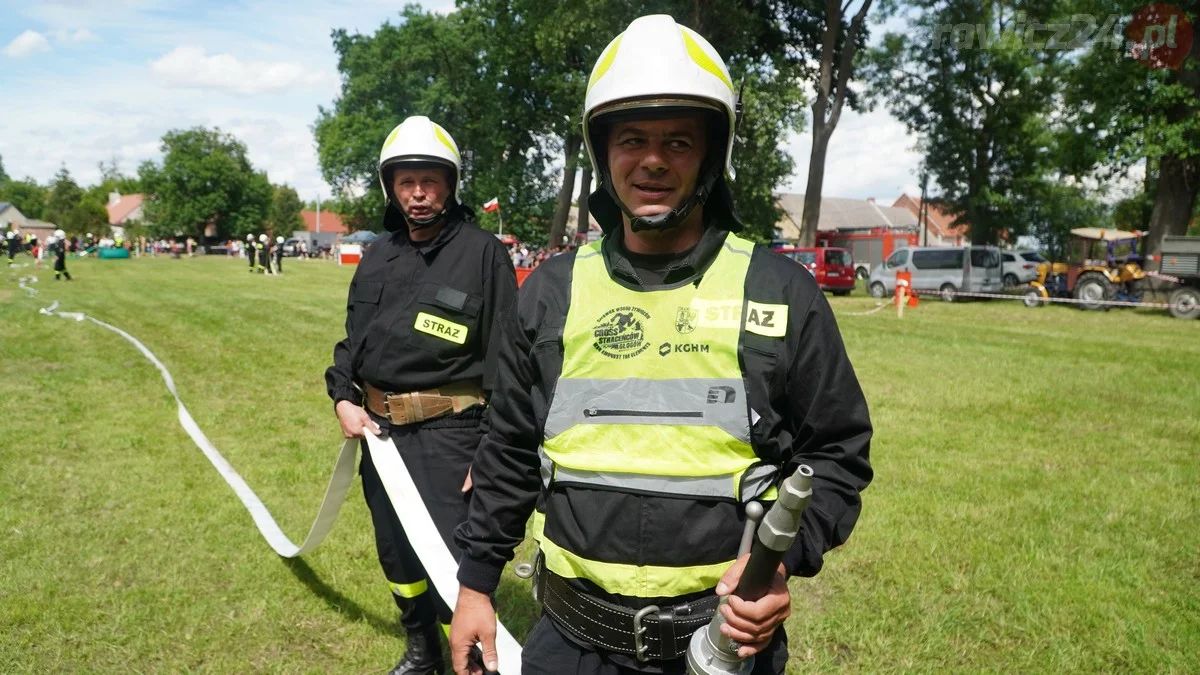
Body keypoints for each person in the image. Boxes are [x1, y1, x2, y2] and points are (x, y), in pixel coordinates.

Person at [449, 15, 873, 675]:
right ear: (603, 151)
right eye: (632, 138)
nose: (652, 159)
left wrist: (781, 561)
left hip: (722, 650)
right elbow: (506, 451)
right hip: (569, 646)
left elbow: (838, 454)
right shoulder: (551, 293)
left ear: (711, 154)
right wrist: (476, 583)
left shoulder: (780, 291)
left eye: (678, 140)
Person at [325, 115, 517, 675]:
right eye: (406, 181)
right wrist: (343, 396)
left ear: (451, 184)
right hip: (380, 436)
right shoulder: (378, 256)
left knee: (454, 559)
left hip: (452, 435)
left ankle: (470, 658)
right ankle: (421, 648)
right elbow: (352, 345)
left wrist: (492, 452)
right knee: (397, 552)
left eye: (430, 180)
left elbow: (510, 360)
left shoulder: (484, 255)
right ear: (390, 186)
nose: (418, 193)